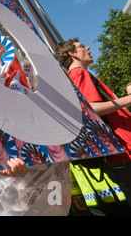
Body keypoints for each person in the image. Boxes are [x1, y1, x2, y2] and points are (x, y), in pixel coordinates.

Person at [55, 37, 131, 206]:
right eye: (82, 46)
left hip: (119, 154)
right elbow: (91, 109)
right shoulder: (78, 73)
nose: (88, 47)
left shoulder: (77, 75)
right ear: (72, 54)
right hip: (124, 150)